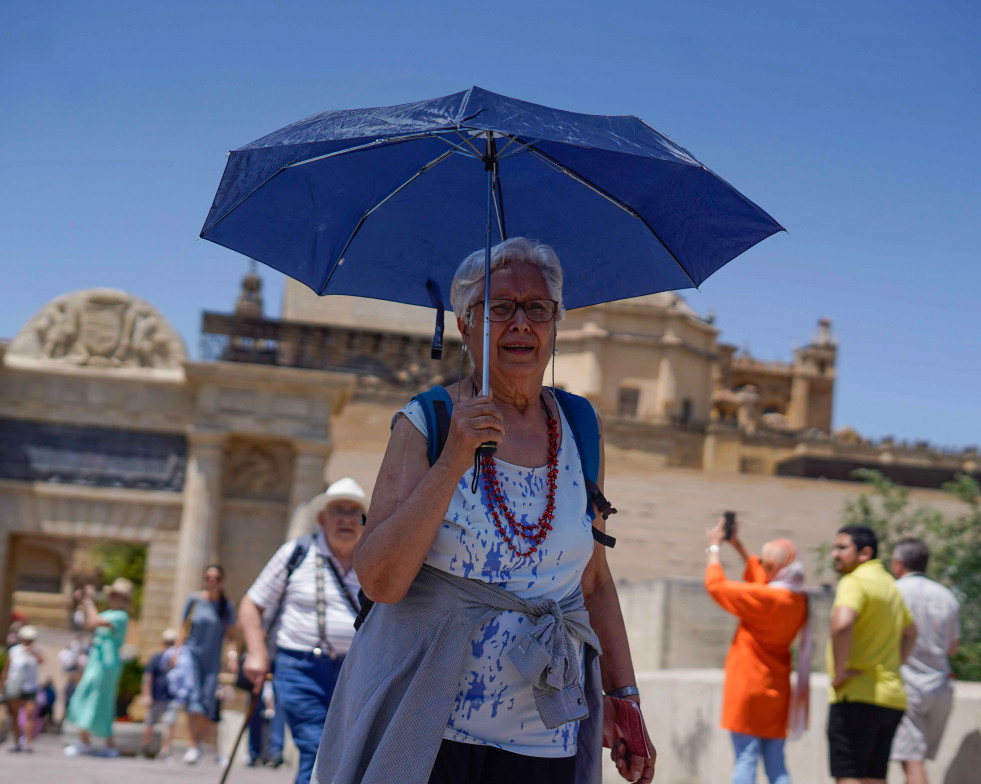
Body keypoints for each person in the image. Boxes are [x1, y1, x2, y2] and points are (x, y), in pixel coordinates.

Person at [312, 238, 656, 784]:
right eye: (500, 308)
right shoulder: (428, 422)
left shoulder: (581, 427)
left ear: (555, 326)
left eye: (537, 309)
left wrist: (624, 696)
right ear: (466, 325)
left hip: (546, 731)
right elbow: (378, 579)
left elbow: (593, 582)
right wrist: (453, 460)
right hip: (427, 727)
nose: (521, 323)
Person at [239, 477, 367, 784]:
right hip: (300, 668)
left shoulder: (374, 560)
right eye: (338, 510)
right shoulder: (294, 554)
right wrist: (256, 653)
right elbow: (251, 604)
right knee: (317, 746)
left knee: (347, 752)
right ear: (322, 518)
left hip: (357, 671)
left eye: (354, 512)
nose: (346, 519)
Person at [704, 519, 809, 784]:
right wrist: (738, 545)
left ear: (775, 568)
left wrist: (714, 548)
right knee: (777, 764)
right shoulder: (797, 600)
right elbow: (765, 576)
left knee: (746, 759)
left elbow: (716, 586)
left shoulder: (766, 599)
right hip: (777, 689)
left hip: (748, 686)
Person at [827, 525, 917, 784]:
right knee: (874, 777)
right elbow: (911, 632)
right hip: (891, 698)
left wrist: (840, 670)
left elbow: (842, 624)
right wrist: (894, 664)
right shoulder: (890, 585)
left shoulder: (854, 581)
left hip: (856, 695)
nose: (835, 554)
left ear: (865, 553)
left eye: (842, 548)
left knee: (849, 775)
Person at [888, 537, 960, 784]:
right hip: (941, 685)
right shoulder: (947, 595)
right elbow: (953, 647)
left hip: (908, 685)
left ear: (899, 564)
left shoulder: (894, 592)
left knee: (911, 761)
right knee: (916, 758)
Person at [64, 578, 133, 757]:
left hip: (107, 663)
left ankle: (103, 744)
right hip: (97, 660)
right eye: (113, 595)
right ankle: (87, 741)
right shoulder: (109, 612)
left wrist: (88, 601)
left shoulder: (121, 616)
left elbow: (94, 621)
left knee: (99, 699)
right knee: (86, 695)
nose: (114, 598)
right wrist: (84, 603)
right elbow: (88, 623)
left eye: (118, 595)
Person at [175, 564, 236, 765]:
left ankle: (199, 742)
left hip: (212, 660)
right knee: (194, 698)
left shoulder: (226, 606)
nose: (212, 581)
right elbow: (182, 628)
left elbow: (231, 636)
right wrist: (176, 653)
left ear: (221, 581)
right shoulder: (193, 600)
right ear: (204, 580)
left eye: (216, 578)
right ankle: (193, 745)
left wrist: (233, 657)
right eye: (208, 577)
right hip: (192, 656)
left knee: (207, 702)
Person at [2, 625, 43, 752]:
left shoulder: (36, 651)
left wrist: (31, 651)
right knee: (14, 715)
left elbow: (41, 661)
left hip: (30, 687)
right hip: (15, 686)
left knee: (30, 714)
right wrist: (3, 685)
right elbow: (7, 669)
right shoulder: (14, 651)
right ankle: (16, 742)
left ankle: (28, 743)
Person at [139, 628, 179, 759]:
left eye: (172, 642)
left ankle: (166, 751)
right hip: (156, 697)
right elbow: (148, 677)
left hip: (171, 697)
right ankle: (145, 749)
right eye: (167, 642)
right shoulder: (156, 658)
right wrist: (146, 695)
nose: (169, 645)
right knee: (149, 724)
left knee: (169, 724)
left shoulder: (179, 659)